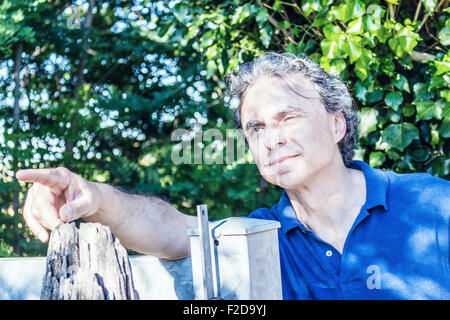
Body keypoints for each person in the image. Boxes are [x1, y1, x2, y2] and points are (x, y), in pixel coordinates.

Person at [16, 52, 449, 299]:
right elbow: (173, 231)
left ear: (338, 124)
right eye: (256, 127)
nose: (272, 138)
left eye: (288, 117)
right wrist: (90, 196)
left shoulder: (433, 207)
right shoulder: (260, 236)